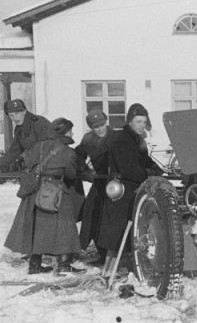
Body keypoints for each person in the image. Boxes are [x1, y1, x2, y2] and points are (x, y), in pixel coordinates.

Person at [3, 118, 86, 275]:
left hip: (35, 192)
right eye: (70, 131)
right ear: (63, 133)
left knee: (36, 227)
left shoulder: (37, 146)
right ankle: (64, 265)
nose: (72, 133)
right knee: (65, 227)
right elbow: (71, 174)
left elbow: (30, 165)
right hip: (56, 192)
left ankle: (34, 265)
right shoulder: (68, 151)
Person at [96, 103, 163, 275]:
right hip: (123, 191)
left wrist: (159, 171)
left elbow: (145, 160)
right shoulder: (121, 139)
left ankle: (126, 266)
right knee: (118, 232)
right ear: (130, 122)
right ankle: (113, 269)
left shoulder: (138, 140)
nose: (142, 125)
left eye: (144, 122)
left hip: (134, 189)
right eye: (138, 121)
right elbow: (129, 169)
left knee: (131, 230)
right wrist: (150, 173)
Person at [76, 110, 115, 266]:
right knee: (91, 213)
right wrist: (85, 172)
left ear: (107, 121)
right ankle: (101, 252)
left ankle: (116, 254)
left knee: (111, 217)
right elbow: (79, 155)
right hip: (99, 182)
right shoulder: (88, 139)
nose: (100, 129)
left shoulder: (117, 137)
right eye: (95, 127)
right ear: (90, 128)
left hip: (116, 183)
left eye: (102, 125)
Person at [0, 99, 51, 172]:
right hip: (38, 166)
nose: (15, 118)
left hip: (51, 164)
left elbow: (46, 148)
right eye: (11, 115)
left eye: (17, 113)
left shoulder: (38, 123)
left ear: (24, 111)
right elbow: (14, 151)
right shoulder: (19, 129)